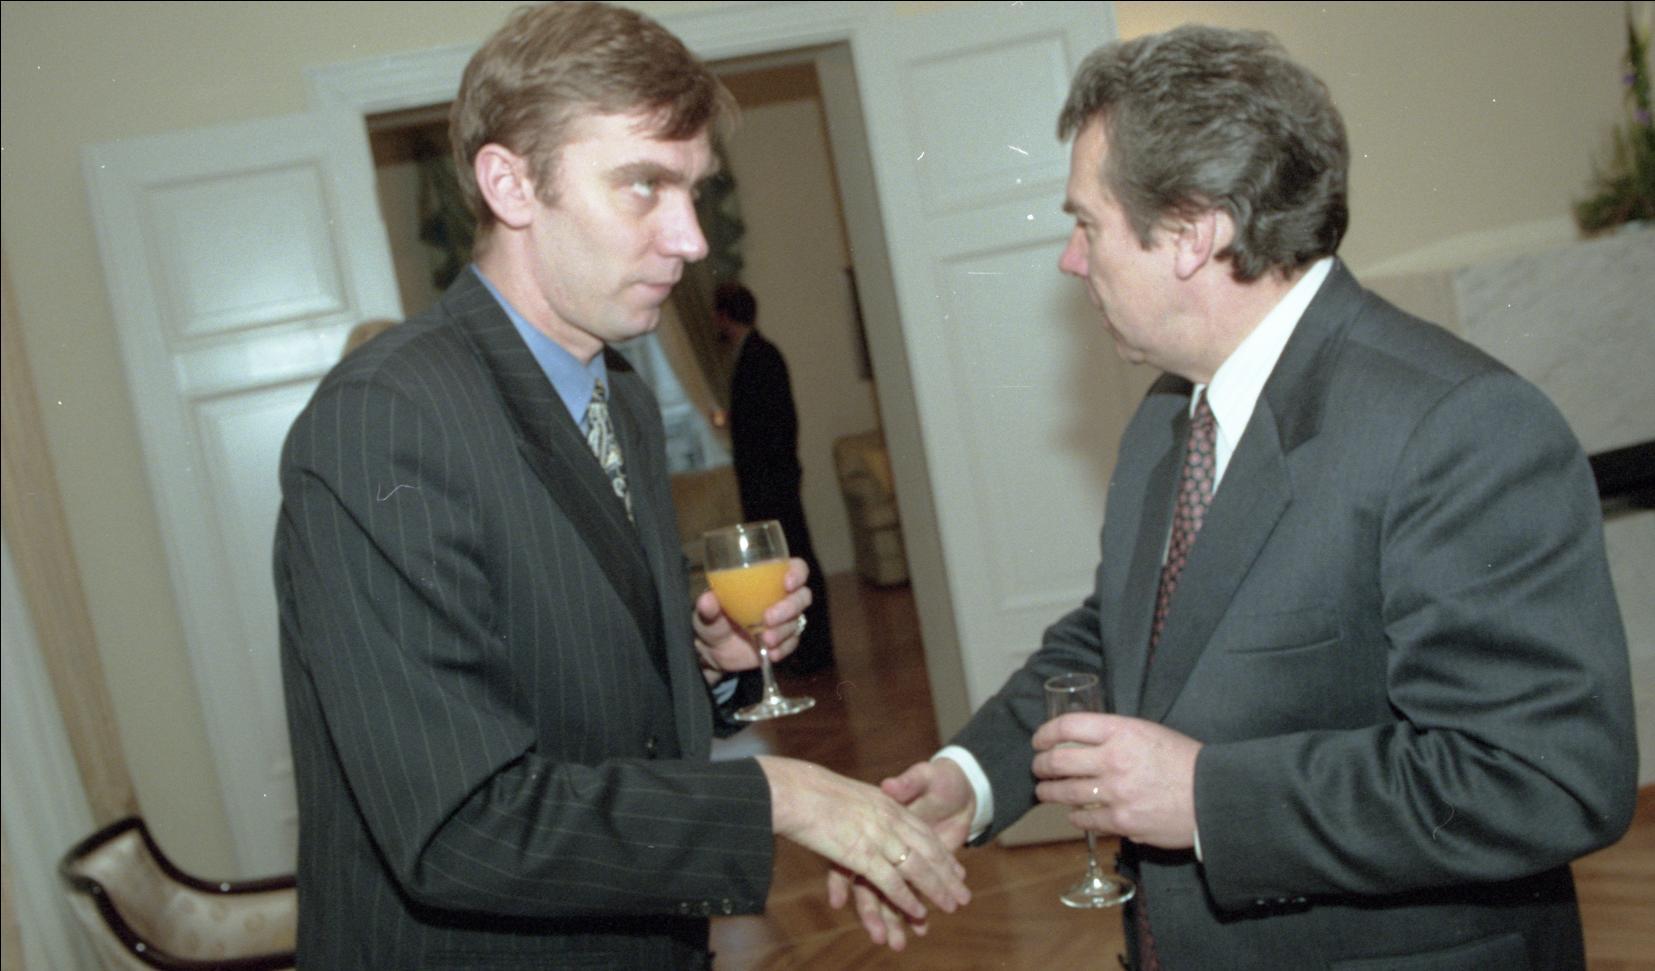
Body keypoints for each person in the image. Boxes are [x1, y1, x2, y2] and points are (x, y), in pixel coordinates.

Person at [844, 24, 1638, 968]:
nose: (1070, 258)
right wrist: (969, 777)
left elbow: (1544, 776)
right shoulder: (1168, 414)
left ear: (1192, 231)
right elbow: (1126, 640)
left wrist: (1204, 797)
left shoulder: (1457, 427)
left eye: (1087, 223)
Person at [272, 4, 968, 967]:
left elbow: (593, 700)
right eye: (644, 185)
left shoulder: (622, 395)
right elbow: (456, 824)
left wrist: (708, 662)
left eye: (694, 190)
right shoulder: (386, 420)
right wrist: (782, 793)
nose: (690, 238)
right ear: (510, 183)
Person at [713, 281, 834, 673]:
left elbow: (778, 424)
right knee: (784, 567)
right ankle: (799, 651)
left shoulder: (761, 355)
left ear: (726, 315)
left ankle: (813, 652)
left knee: (795, 563)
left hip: (773, 482)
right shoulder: (753, 353)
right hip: (769, 480)